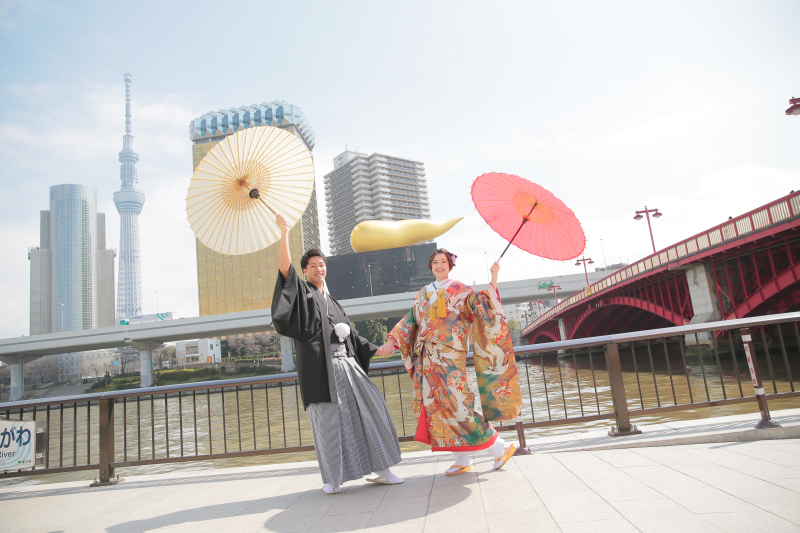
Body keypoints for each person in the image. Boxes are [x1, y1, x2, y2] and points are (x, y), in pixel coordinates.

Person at [271, 213, 403, 494]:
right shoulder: (303, 294)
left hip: (347, 366)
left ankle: (382, 469)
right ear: (304, 271)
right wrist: (283, 233)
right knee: (330, 424)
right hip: (321, 371)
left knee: (371, 410)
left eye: (322, 265)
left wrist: (378, 348)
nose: (319, 269)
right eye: (313, 266)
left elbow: (352, 334)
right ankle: (333, 479)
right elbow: (285, 271)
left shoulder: (331, 299)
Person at [376, 248, 522, 475]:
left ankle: (497, 446)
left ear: (450, 265)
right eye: (435, 262)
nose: (439, 266)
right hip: (428, 359)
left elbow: (483, 304)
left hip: (451, 356)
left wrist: (493, 276)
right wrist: (391, 343)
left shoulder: (460, 290)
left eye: (443, 262)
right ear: (430, 266)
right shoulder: (424, 293)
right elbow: (410, 322)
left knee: (457, 405)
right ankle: (462, 458)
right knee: (437, 408)